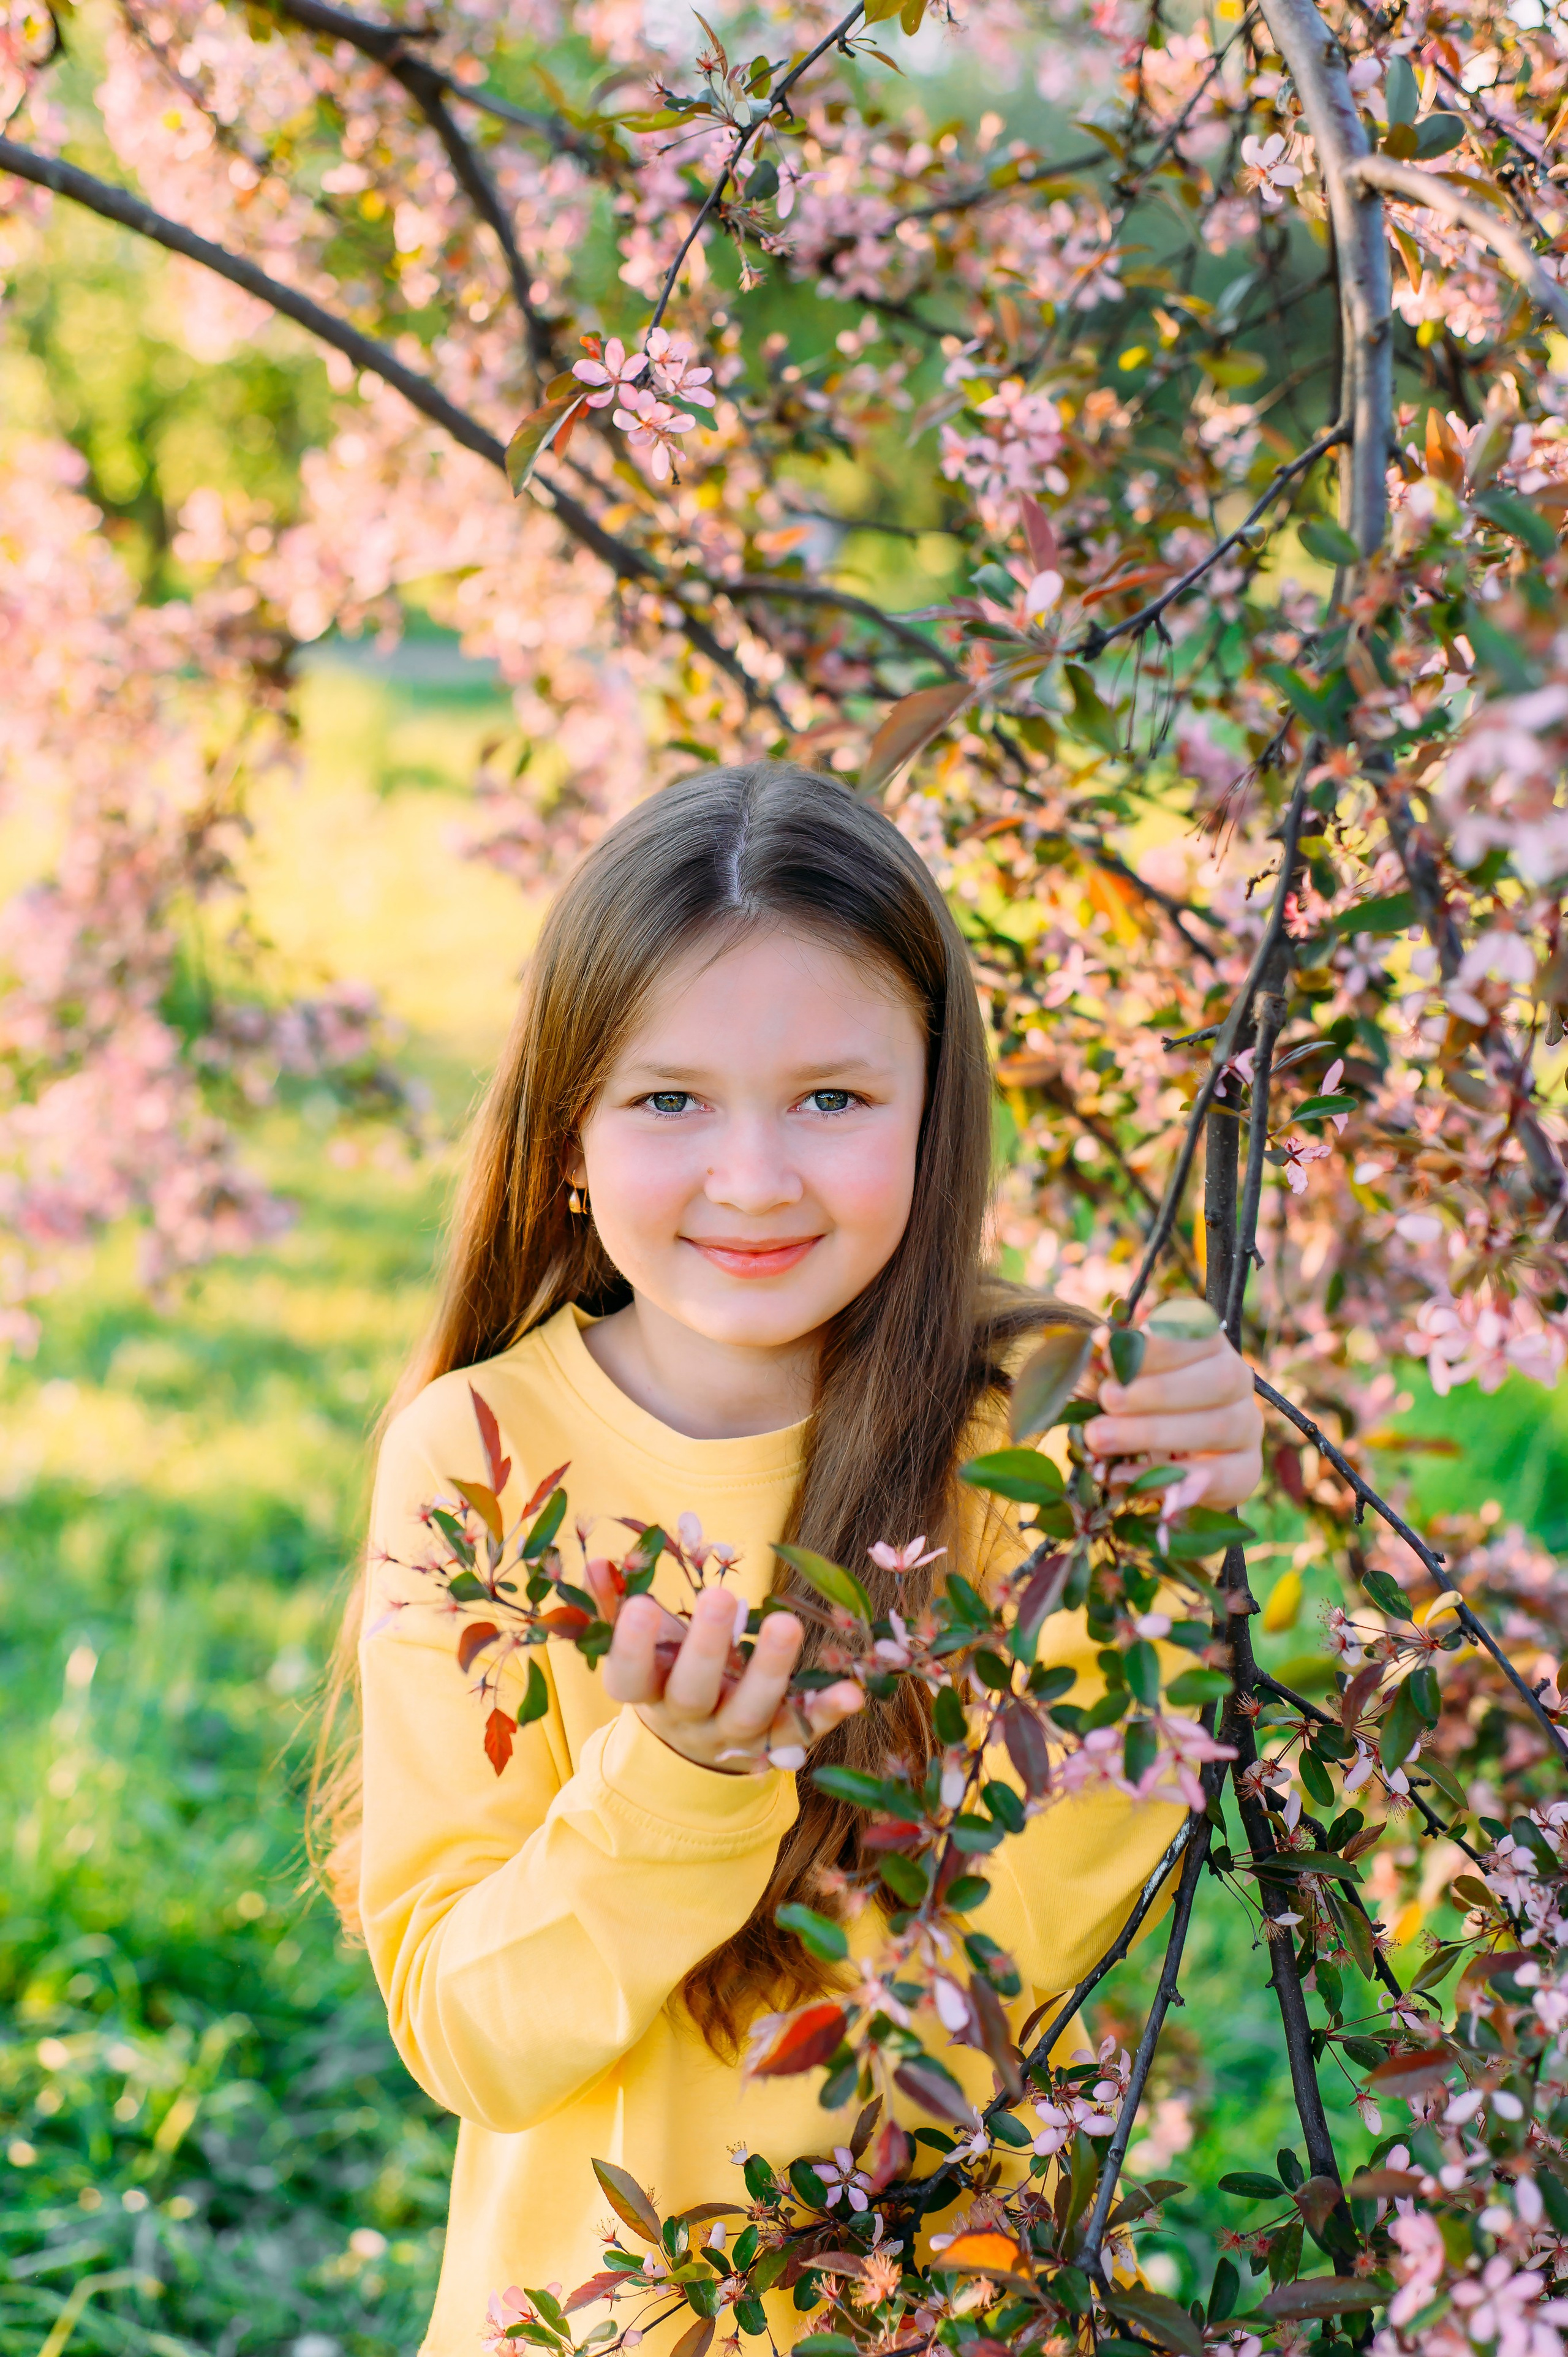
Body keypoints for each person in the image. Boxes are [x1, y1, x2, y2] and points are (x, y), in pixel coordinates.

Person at [314, 761, 1262, 2356]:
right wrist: (677, 1788)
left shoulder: (1030, 1438)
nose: (752, 1179)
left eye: (832, 1100)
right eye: (668, 1100)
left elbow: (1035, 1939)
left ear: (935, 1119)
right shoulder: (480, 1456)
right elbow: (473, 2037)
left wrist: (1171, 1543)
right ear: (567, 1136)